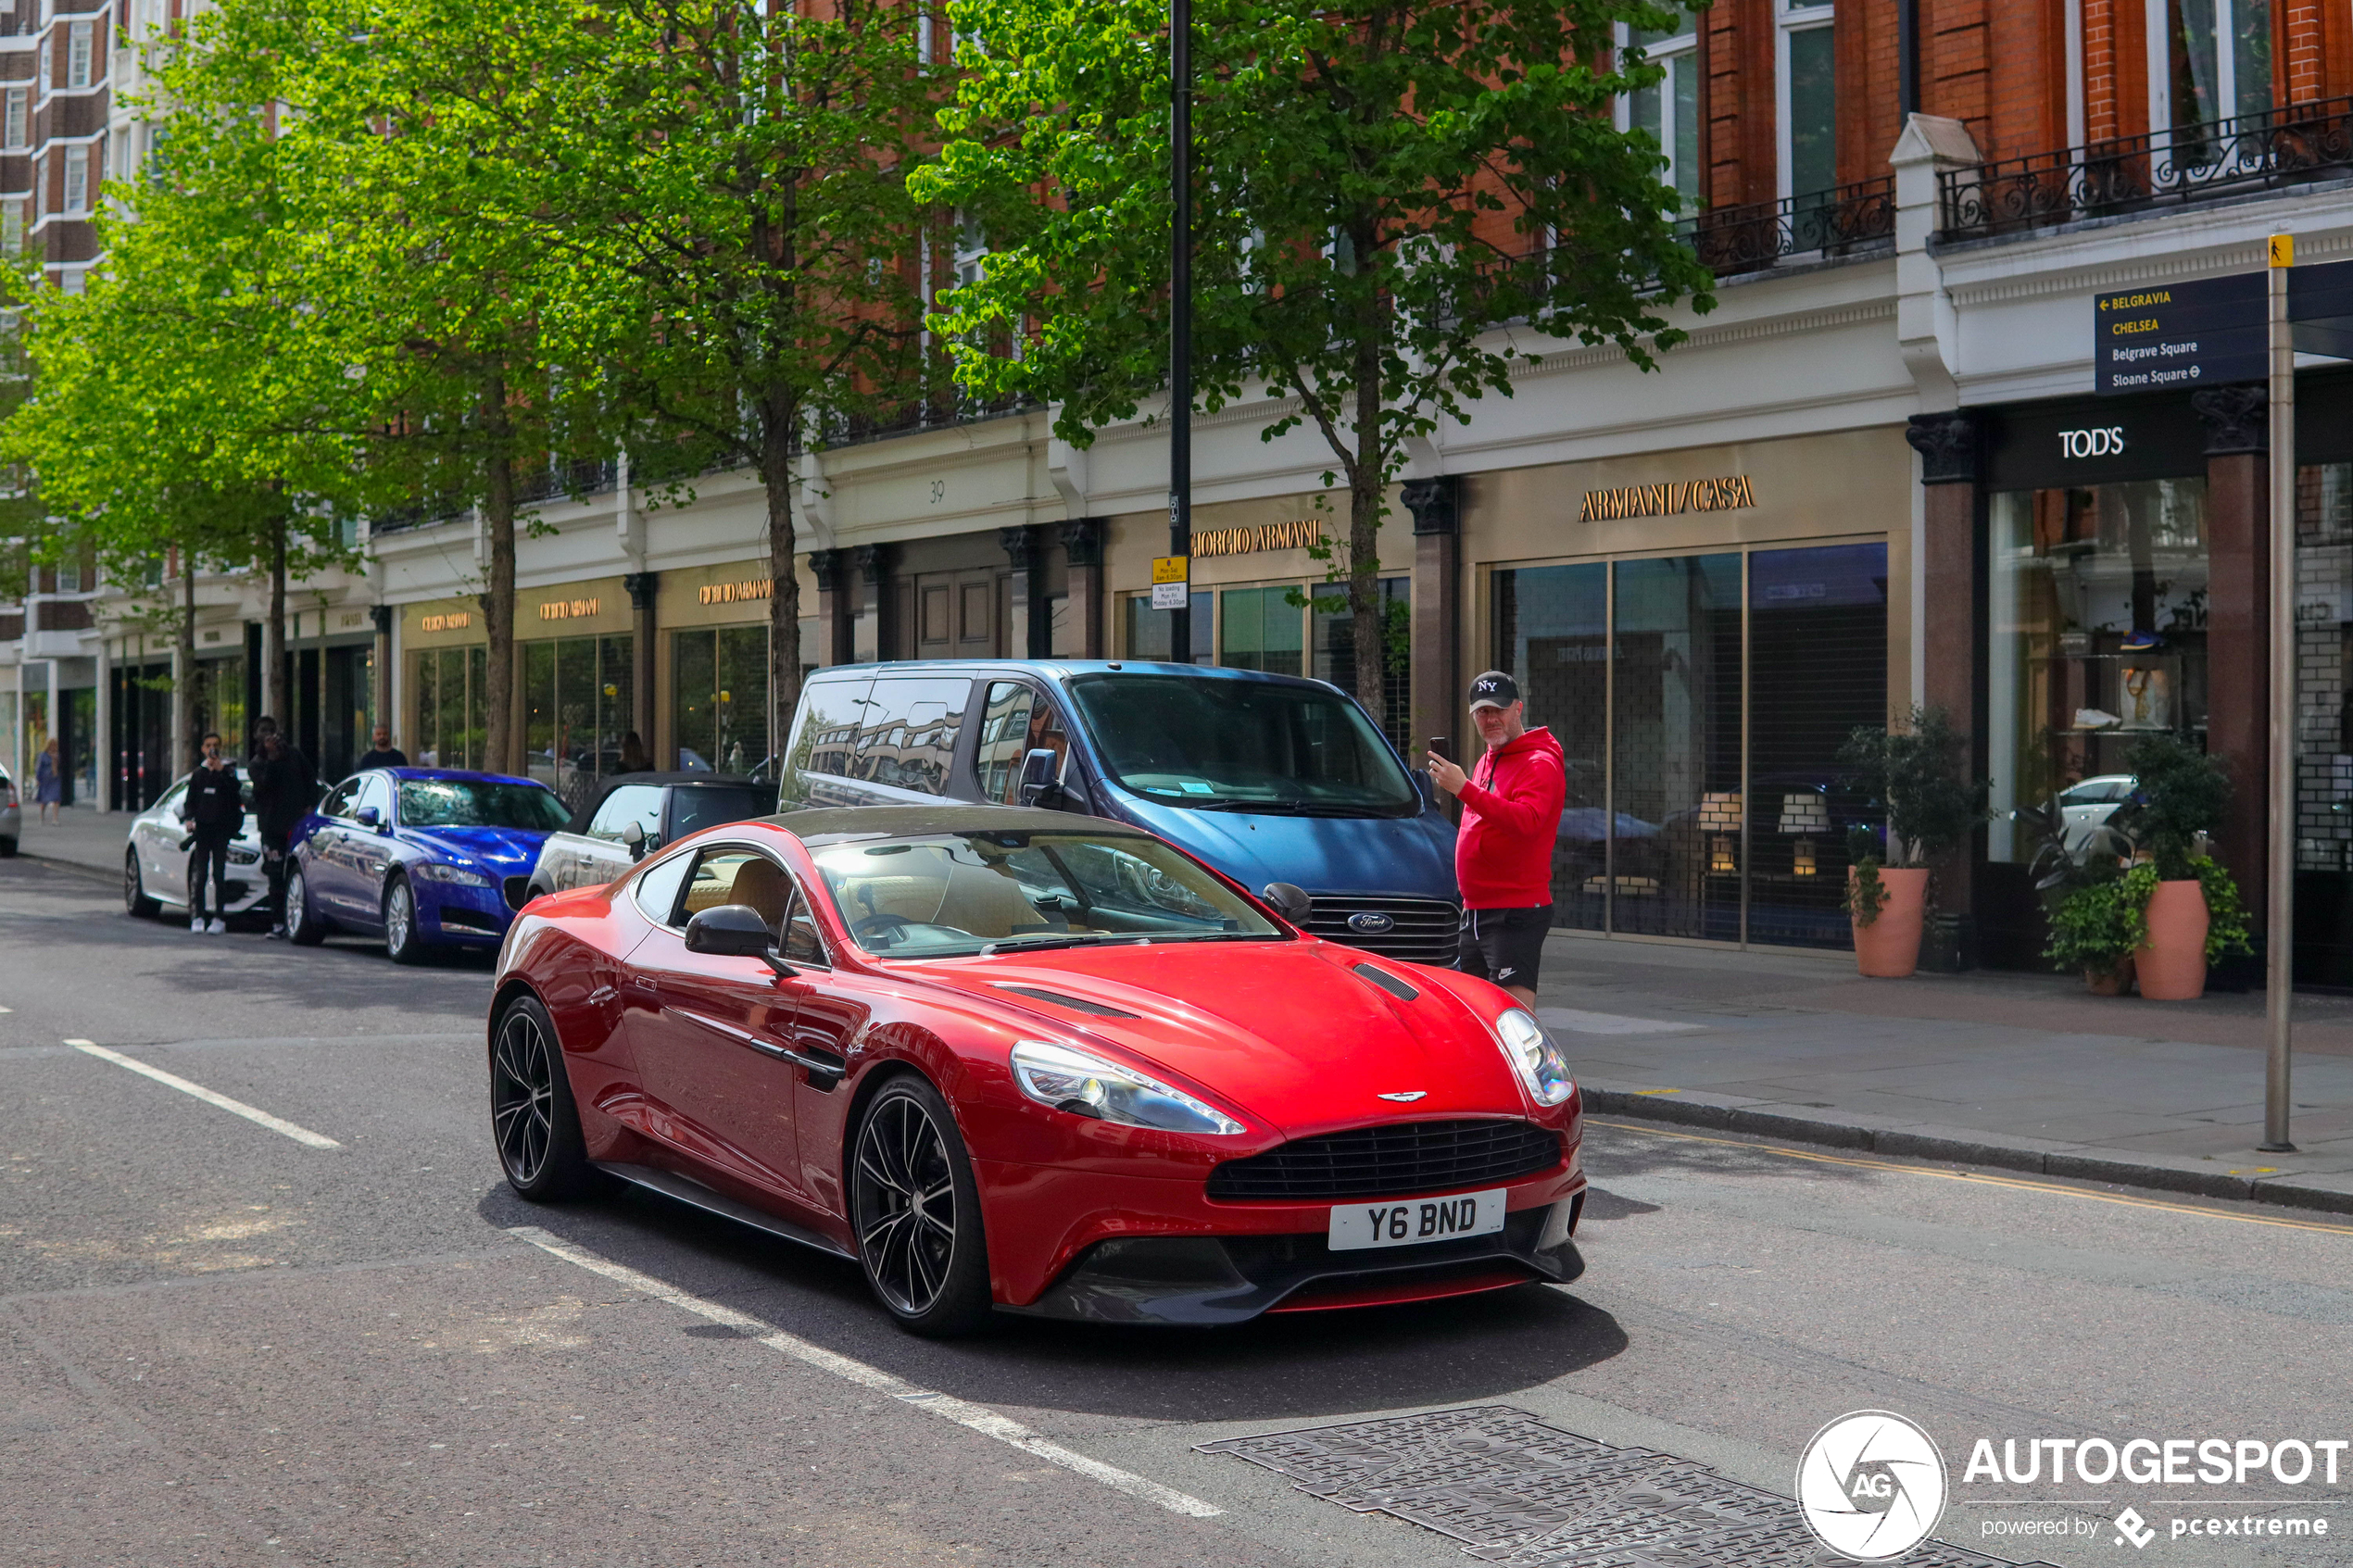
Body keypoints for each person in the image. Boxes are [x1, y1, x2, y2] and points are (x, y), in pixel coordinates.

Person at [1427, 671, 1566, 1009]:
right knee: (1476, 1016)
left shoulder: (1539, 762)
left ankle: (1525, 1065)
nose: (1491, 719)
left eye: (1499, 710)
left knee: (1510, 1017)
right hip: (1475, 910)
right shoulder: (1487, 760)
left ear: (1518, 709)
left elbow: (1528, 822)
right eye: (1483, 712)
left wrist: (1464, 789)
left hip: (1514, 910)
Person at [247, 719, 315, 940]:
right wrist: (272, 758)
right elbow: (264, 785)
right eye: (263, 732)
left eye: (272, 731)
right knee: (275, 876)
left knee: (297, 874)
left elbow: (310, 779)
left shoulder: (295, 756)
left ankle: (297, 921)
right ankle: (278, 922)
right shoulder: (257, 763)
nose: (269, 736)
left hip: (296, 825)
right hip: (271, 827)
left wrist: (309, 805)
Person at [180, 732, 244, 935]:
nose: (212, 749)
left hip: (221, 830)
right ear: (203, 749)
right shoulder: (198, 774)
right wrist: (189, 819)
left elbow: (236, 791)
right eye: (208, 745)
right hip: (203, 830)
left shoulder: (227, 772)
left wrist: (222, 771)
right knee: (201, 874)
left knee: (219, 874)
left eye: (215, 745)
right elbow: (190, 801)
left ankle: (219, 918)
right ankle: (199, 916)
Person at [32, 735, 60, 823]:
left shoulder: (58, 755)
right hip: (45, 780)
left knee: (56, 799)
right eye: (51, 745)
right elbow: (39, 768)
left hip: (55, 780)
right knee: (44, 800)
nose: (53, 747)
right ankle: (41, 816)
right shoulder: (43, 755)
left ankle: (55, 819)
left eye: (54, 745)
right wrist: (38, 779)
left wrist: (55, 759)